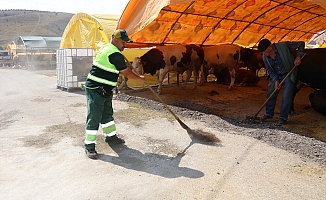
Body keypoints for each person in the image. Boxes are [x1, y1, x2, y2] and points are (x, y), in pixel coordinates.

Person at [84, 29, 146, 159]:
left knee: (107, 113)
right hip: (96, 88)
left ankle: (111, 137)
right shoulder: (114, 54)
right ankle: (89, 146)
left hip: (105, 89)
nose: (125, 45)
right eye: (123, 42)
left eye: (126, 42)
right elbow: (126, 72)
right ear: (115, 40)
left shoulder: (108, 48)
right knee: (94, 116)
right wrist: (139, 78)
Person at [257, 39, 305, 126]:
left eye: (264, 51)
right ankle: (269, 114)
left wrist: (298, 56)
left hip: (289, 73)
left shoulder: (283, 46)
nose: (263, 53)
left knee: (286, 96)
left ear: (270, 47)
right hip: (276, 75)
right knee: (271, 93)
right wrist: (276, 80)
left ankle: (283, 118)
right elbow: (270, 71)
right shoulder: (265, 57)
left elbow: (301, 44)